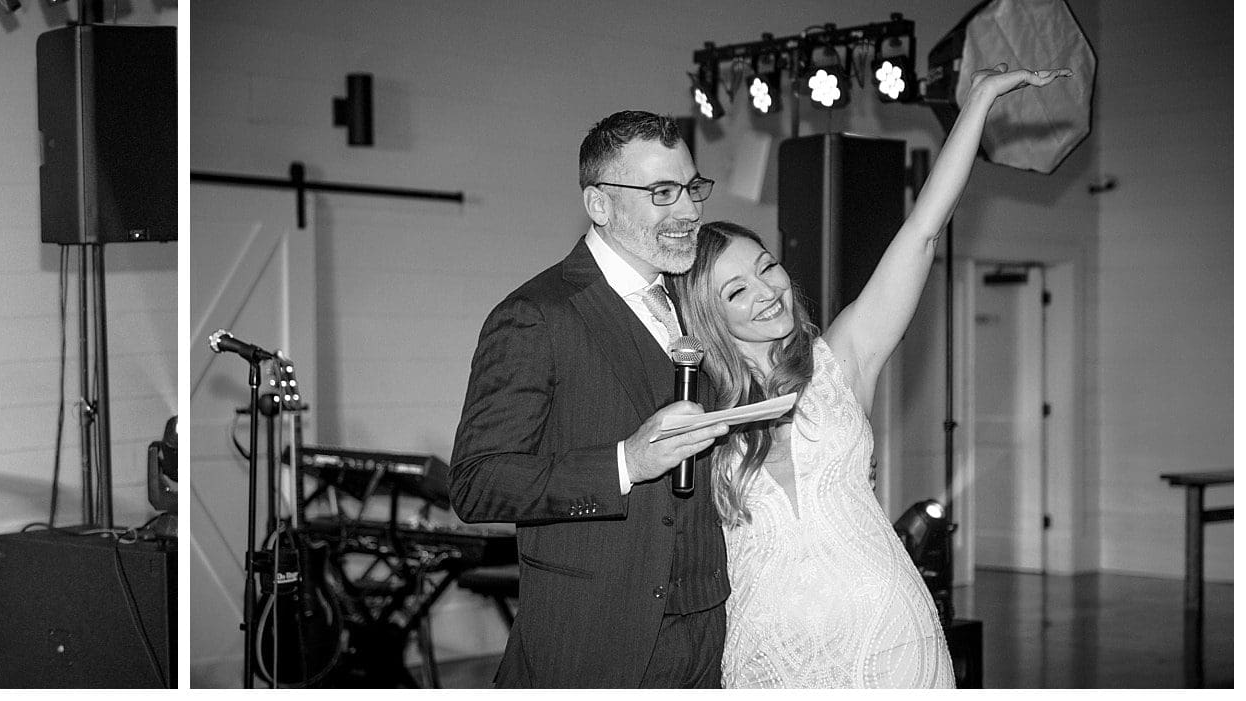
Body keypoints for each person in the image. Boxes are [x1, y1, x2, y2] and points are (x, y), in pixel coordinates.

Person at [677, 62, 1065, 690]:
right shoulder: (697, 414)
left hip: (888, 637)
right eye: (737, 291)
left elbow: (920, 232)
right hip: (767, 654)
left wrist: (981, 102)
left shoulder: (841, 360)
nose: (767, 292)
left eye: (768, 267)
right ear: (709, 317)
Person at [451, 110, 740, 686]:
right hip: (594, 637)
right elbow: (477, 484)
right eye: (662, 193)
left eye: (692, 188)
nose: (688, 211)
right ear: (600, 205)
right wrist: (625, 463)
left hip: (708, 628)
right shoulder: (536, 315)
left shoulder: (701, 301)